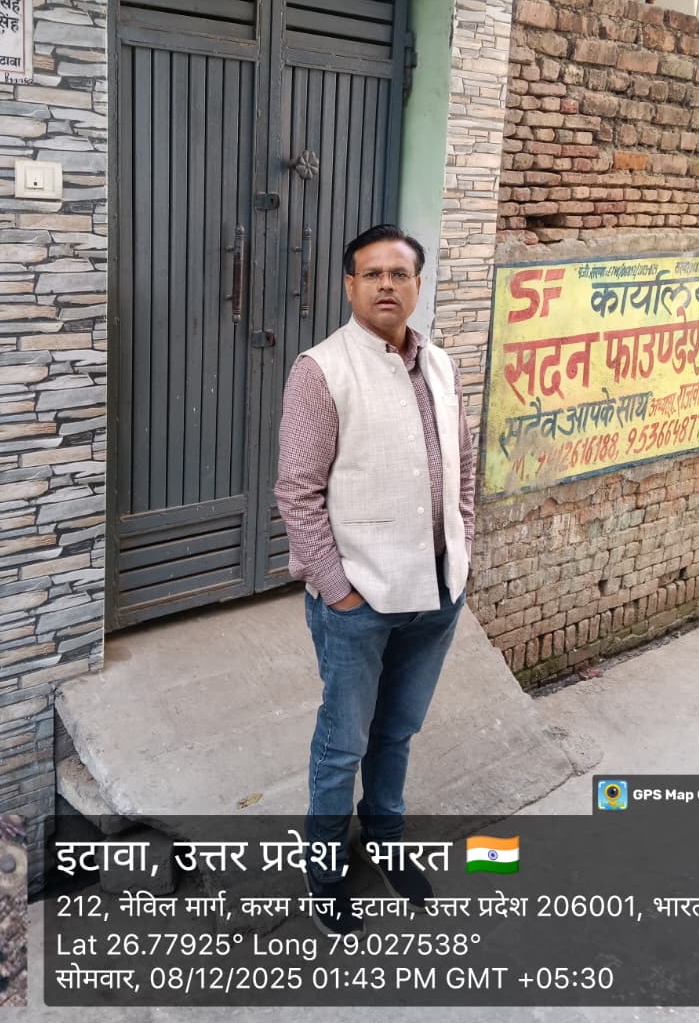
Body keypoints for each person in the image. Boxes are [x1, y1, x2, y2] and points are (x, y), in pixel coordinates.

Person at [275, 223, 476, 939]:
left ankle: (386, 838)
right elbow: (297, 493)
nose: (386, 284)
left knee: (398, 731)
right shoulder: (322, 370)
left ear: (418, 284)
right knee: (343, 744)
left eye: (400, 273)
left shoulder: (442, 366)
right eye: (372, 274)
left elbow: (463, 468)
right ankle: (325, 867)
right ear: (349, 285)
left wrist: (463, 547)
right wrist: (338, 590)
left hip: (438, 592)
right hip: (359, 601)